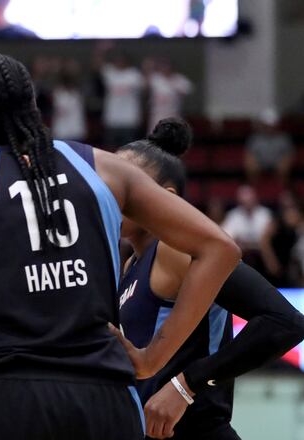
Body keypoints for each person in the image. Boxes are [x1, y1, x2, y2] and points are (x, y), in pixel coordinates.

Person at [0, 53, 240, 440]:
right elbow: (220, 248)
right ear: (33, 107)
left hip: (5, 397)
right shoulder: (105, 168)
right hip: (107, 400)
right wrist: (153, 359)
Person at [116, 118, 304, 439]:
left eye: (123, 183)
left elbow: (286, 323)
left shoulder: (176, 250)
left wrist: (187, 385)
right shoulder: (129, 264)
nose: (108, 191)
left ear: (165, 197)